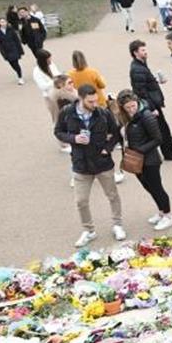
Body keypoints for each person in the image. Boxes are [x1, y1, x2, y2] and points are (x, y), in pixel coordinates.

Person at [55, 84, 125, 246]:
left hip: (102, 162)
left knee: (112, 195)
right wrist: (73, 139)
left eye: (95, 101)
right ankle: (89, 230)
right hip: (81, 163)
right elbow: (58, 132)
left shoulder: (103, 113)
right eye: (90, 102)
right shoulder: (67, 113)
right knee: (81, 200)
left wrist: (107, 149)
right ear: (80, 98)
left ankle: (117, 225)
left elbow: (115, 133)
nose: (95, 104)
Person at [116, 89, 172, 231]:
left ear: (137, 102)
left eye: (133, 105)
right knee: (147, 187)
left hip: (149, 160)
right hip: (135, 159)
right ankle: (161, 211)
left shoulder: (146, 116)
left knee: (156, 188)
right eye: (128, 107)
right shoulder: (124, 117)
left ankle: (168, 215)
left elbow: (158, 139)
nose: (131, 109)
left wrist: (140, 150)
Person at [128, 39, 172, 161]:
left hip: (151, 102)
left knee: (159, 130)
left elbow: (144, 84)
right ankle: (168, 153)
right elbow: (141, 91)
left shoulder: (140, 65)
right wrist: (151, 108)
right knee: (161, 130)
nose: (146, 52)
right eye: (143, 50)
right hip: (151, 105)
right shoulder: (137, 69)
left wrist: (155, 80)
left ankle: (166, 153)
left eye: (145, 49)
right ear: (135, 52)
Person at [0, 18, 25, 84]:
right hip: (6, 51)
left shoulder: (11, 29)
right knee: (12, 64)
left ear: (6, 22)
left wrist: (20, 50)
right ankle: (18, 72)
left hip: (14, 49)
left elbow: (17, 40)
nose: (3, 23)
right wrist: (3, 53)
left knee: (16, 63)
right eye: (1, 22)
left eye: (4, 22)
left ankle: (20, 77)